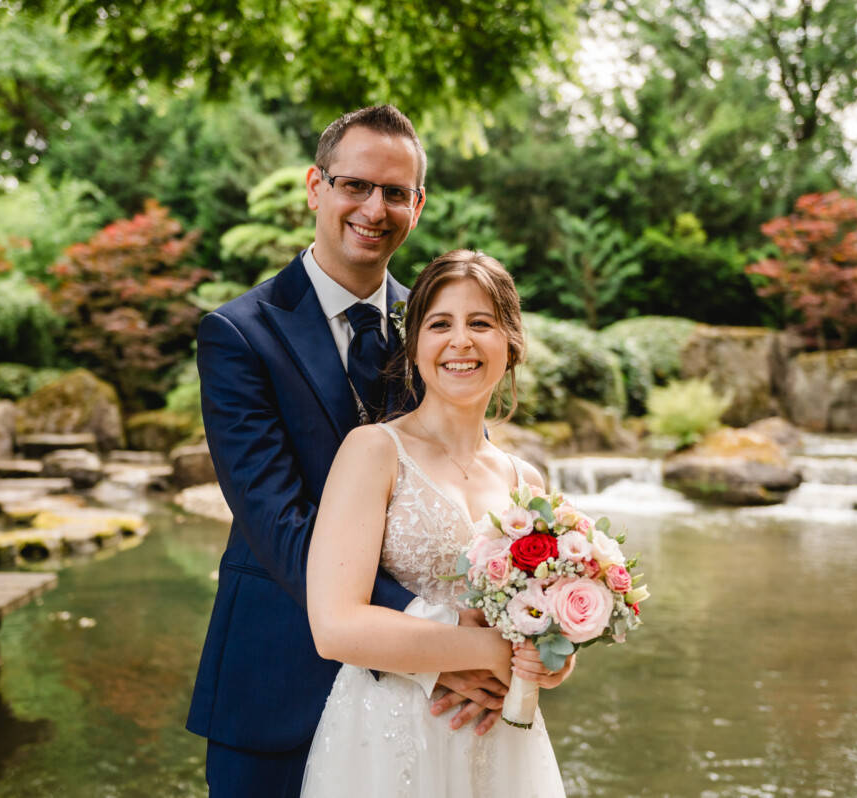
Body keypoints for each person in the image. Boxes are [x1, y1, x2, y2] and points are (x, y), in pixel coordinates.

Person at [186, 106, 513, 798]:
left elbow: (462, 485)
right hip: (276, 679)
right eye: (354, 185)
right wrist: (441, 642)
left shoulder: (437, 328)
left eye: (396, 192)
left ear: (418, 206)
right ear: (315, 187)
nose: (374, 207)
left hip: (426, 715)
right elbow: (279, 524)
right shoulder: (238, 335)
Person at [300, 249, 571, 797]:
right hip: (388, 732)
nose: (461, 341)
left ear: (510, 343)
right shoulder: (374, 451)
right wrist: (496, 652)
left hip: (502, 741)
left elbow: (545, 631)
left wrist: (552, 663)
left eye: (481, 324)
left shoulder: (528, 482)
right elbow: (335, 628)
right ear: (416, 346)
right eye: (440, 324)